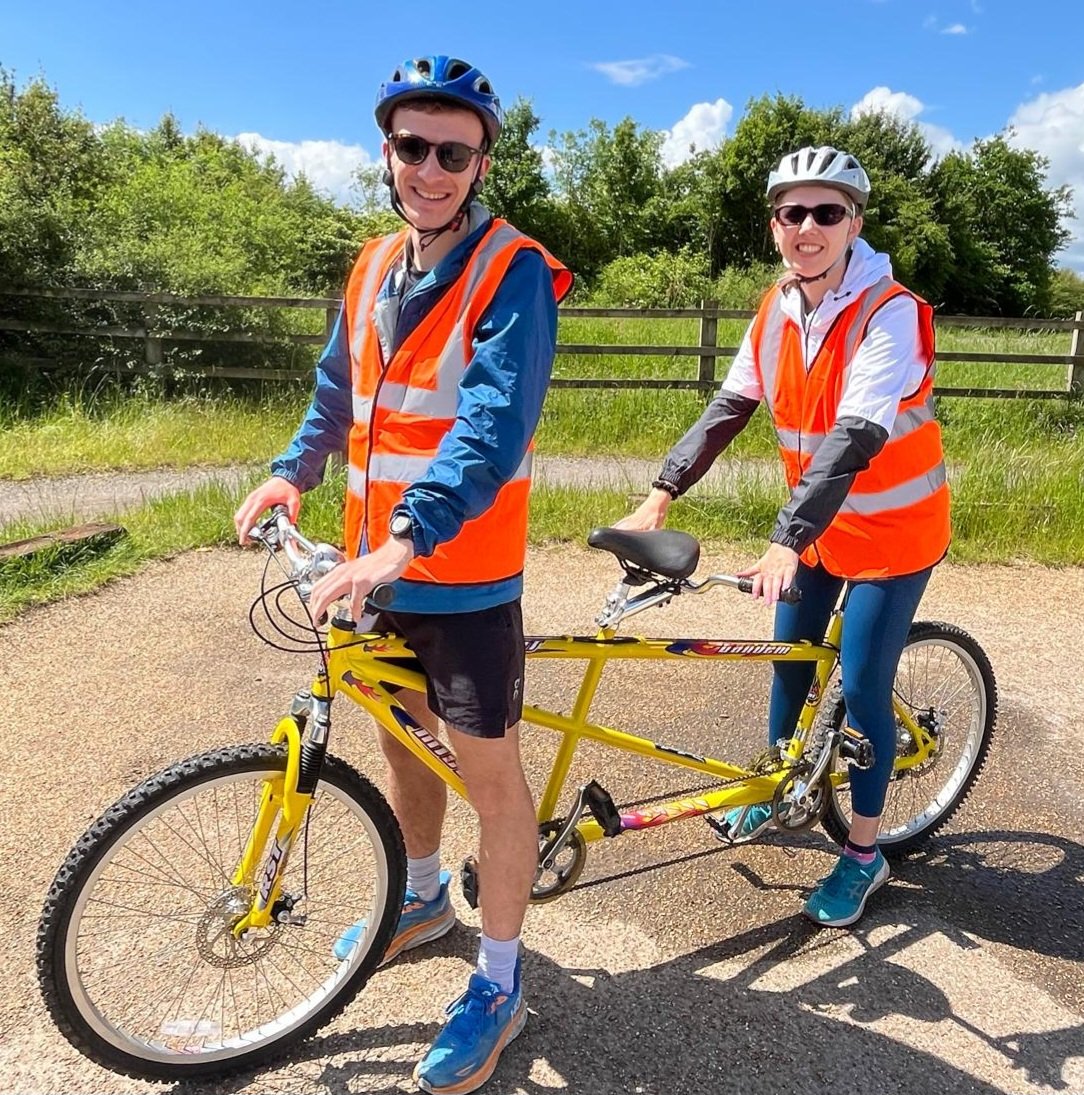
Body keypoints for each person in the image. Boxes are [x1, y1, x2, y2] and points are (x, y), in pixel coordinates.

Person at [234, 55, 572, 1094]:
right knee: (399, 742)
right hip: (374, 574)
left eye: (452, 153)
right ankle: (421, 897)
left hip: (461, 579)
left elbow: (491, 425)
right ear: (386, 153)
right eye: (412, 146)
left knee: (491, 781)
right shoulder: (374, 262)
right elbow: (338, 390)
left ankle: (501, 981)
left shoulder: (512, 269)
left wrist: (407, 535)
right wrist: (293, 470)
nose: (430, 168)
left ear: (482, 165)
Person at [617, 145, 950, 929]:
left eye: (826, 212)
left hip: (893, 536)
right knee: (788, 658)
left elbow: (857, 432)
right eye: (791, 212)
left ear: (854, 224)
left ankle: (864, 854)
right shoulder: (777, 308)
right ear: (773, 225)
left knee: (861, 684)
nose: (808, 226)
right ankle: (776, 789)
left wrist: (784, 538)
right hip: (819, 531)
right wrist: (661, 493)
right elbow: (729, 407)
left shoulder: (889, 310)